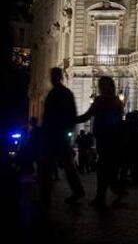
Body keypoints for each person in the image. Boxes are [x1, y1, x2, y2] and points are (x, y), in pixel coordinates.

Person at [77, 76, 127, 207]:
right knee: (106, 169)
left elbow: (86, 116)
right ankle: (112, 192)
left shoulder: (102, 101)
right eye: (102, 85)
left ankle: (105, 195)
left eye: (105, 85)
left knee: (104, 169)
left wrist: (71, 119)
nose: (103, 88)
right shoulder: (115, 101)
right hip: (107, 138)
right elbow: (87, 116)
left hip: (108, 139)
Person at [39, 67, 85, 206]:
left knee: (47, 165)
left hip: (55, 134)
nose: (52, 78)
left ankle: (45, 197)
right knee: (65, 165)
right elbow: (72, 114)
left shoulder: (59, 93)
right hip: (57, 134)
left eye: (53, 75)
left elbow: (65, 115)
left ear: (57, 77)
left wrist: (64, 131)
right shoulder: (63, 92)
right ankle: (76, 191)